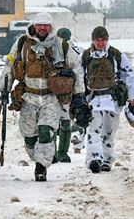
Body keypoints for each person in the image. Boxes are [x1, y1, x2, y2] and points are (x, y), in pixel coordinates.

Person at [0, 12, 85, 181]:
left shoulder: (62, 45)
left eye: (46, 25)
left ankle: (41, 167)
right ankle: (37, 156)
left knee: (46, 131)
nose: (43, 28)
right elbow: (10, 65)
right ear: (34, 26)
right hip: (28, 97)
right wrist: (4, 89)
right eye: (40, 25)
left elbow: (76, 69)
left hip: (51, 98)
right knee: (29, 136)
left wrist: (79, 95)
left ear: (51, 27)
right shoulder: (22, 43)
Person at [81, 26, 134, 173]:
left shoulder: (116, 55)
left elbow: (129, 75)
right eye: (97, 40)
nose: (100, 43)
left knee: (109, 132)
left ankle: (107, 160)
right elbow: (78, 76)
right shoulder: (85, 56)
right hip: (93, 100)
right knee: (94, 129)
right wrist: (78, 97)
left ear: (107, 40)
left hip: (112, 100)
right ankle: (94, 159)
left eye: (103, 40)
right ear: (93, 40)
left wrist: (133, 96)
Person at [52, 27, 83, 163]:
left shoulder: (51, 49)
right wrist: (80, 93)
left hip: (52, 90)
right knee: (65, 123)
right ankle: (62, 153)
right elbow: (79, 73)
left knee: (51, 123)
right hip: (67, 93)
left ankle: (52, 153)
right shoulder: (76, 51)